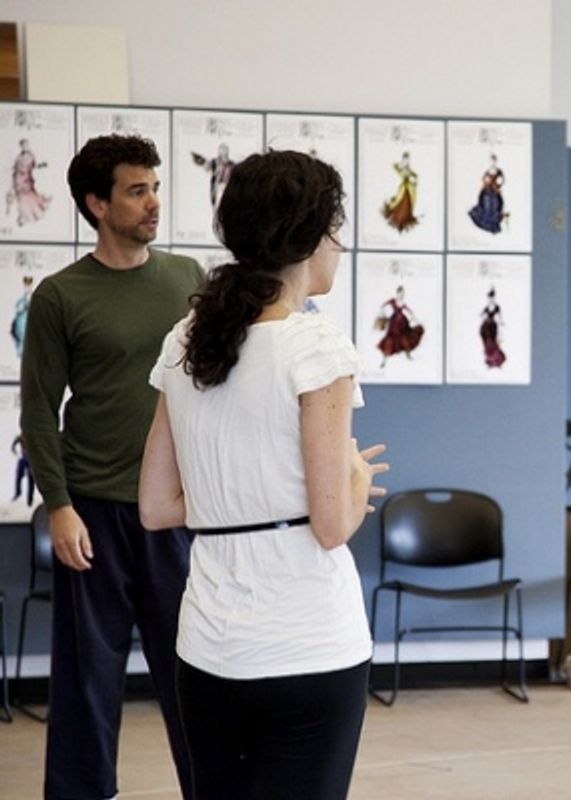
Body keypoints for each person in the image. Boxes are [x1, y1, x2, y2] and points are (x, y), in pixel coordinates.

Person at [139, 150, 388, 800]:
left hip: (207, 648)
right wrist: (358, 476)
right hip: (309, 647)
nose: (340, 243)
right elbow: (332, 526)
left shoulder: (186, 339)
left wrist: (240, 489)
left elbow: (157, 505)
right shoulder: (315, 346)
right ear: (308, 237)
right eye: (336, 227)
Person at [19, 134, 205, 799]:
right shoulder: (60, 296)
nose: (153, 201)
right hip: (92, 512)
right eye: (136, 190)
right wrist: (60, 506)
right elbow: (39, 411)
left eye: (154, 187)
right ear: (98, 204)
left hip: (174, 513)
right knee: (86, 684)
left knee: (192, 676)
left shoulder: (188, 279)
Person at [376, 284, 424, 365]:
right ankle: (384, 360)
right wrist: (383, 315)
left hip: (403, 325)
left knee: (406, 340)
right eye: (400, 293)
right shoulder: (392, 301)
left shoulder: (403, 303)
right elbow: (383, 306)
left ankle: (408, 355)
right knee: (389, 342)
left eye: (403, 294)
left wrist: (416, 319)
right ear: (397, 293)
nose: (401, 295)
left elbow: (410, 313)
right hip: (393, 325)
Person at [8, 138, 52, 226]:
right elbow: (15, 167)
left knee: (28, 197)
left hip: (26, 179)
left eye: (26, 145)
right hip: (17, 179)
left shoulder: (31, 156)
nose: (24, 147)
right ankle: (22, 216)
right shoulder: (19, 156)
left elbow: (34, 165)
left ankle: (28, 216)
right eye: (23, 145)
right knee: (20, 198)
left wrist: (42, 165)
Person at [468, 152, 506, 233]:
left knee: (494, 206)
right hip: (487, 192)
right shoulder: (488, 171)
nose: (493, 162)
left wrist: (497, 186)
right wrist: (486, 183)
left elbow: (501, 180)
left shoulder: (499, 171)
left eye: (494, 160)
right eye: (492, 160)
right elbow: (484, 179)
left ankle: (492, 222)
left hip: (494, 193)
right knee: (486, 204)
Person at [382, 151, 419, 232]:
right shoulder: (402, 168)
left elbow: (415, 176)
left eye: (408, 160)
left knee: (408, 204)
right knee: (400, 202)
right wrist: (401, 165)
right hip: (403, 189)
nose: (407, 161)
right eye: (405, 159)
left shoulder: (409, 169)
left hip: (409, 189)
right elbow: (394, 166)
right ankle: (399, 220)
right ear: (403, 160)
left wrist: (414, 180)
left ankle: (404, 220)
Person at [479, 286, 506, 368]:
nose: (491, 300)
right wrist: (483, 317)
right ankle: (490, 361)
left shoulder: (497, 307)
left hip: (492, 325)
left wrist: (501, 323)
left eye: (492, 298)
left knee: (492, 340)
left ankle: (494, 361)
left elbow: (500, 317)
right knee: (487, 340)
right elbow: (482, 315)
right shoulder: (486, 307)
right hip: (486, 325)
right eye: (489, 298)